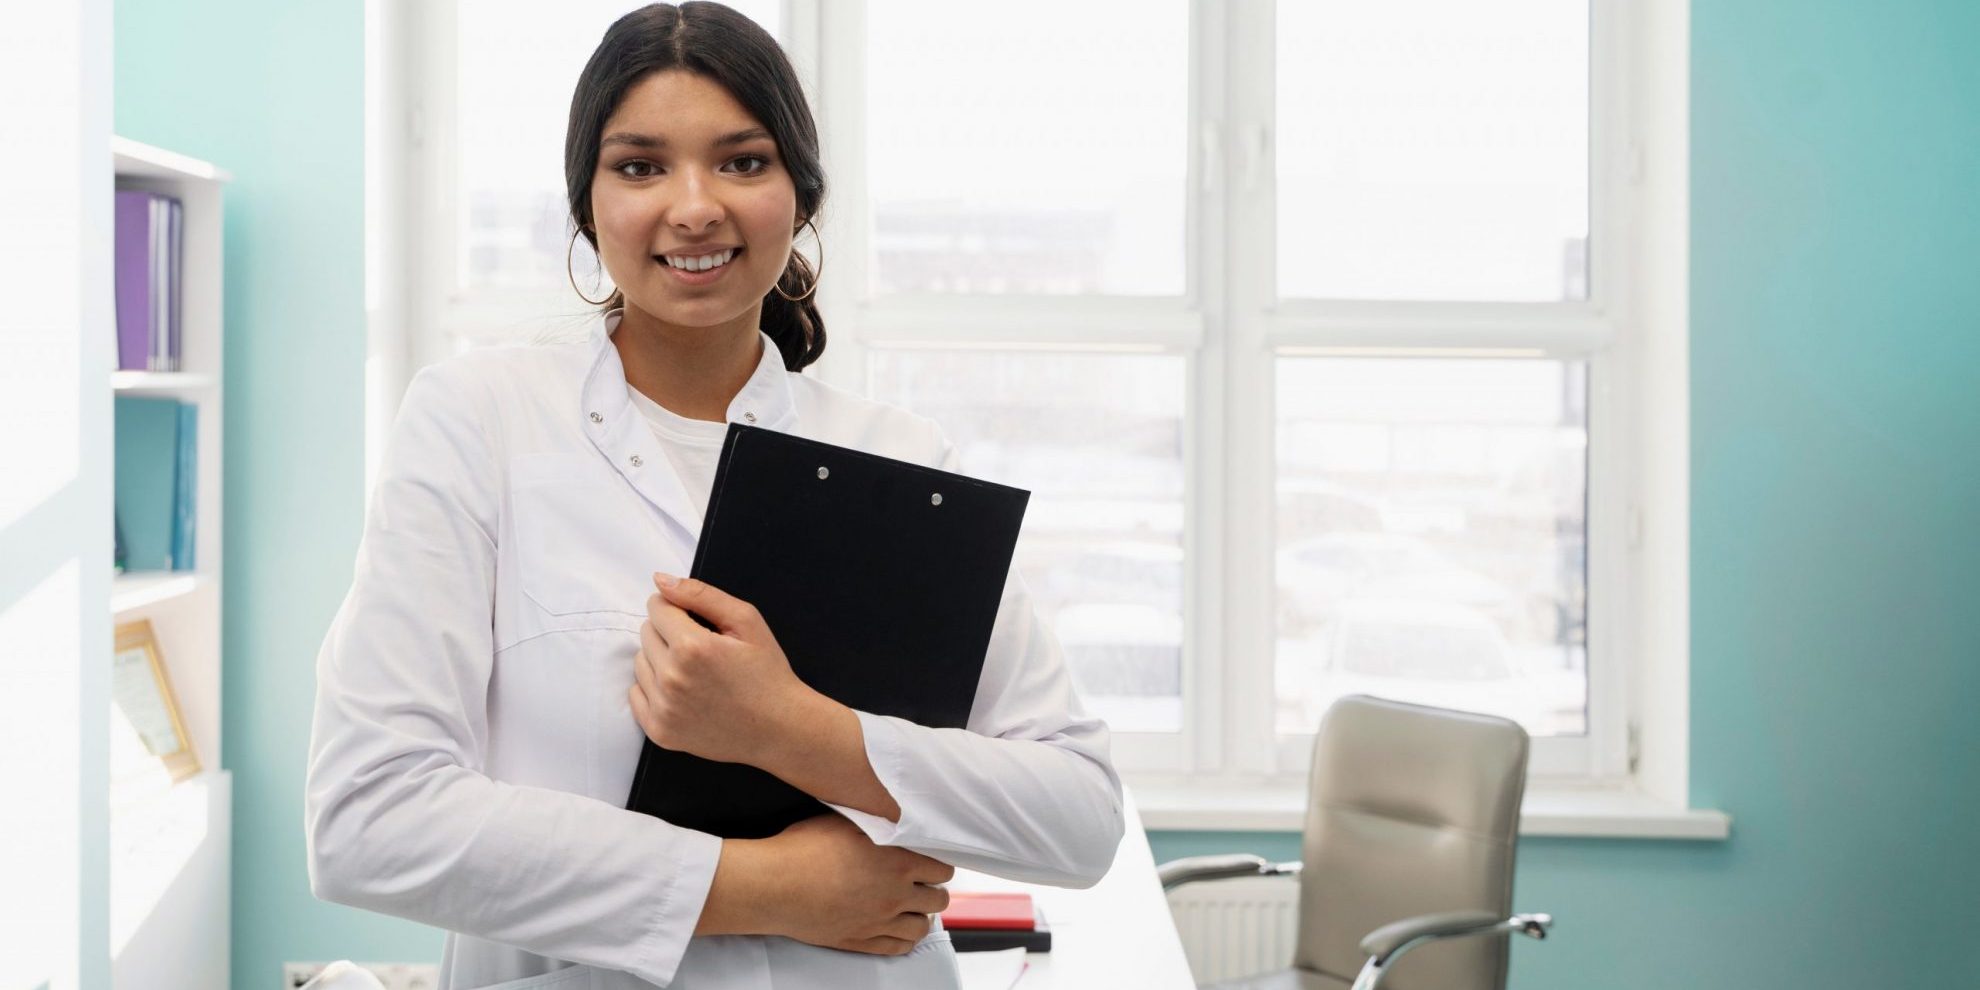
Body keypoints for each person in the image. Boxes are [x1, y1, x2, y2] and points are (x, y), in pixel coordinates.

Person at [302, 4, 1125, 988]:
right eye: (641, 165)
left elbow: (1080, 817)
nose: (694, 207)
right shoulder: (480, 420)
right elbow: (369, 818)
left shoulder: (897, 460)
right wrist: (762, 885)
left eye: (742, 161)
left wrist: (788, 729)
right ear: (587, 203)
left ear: (801, 194)